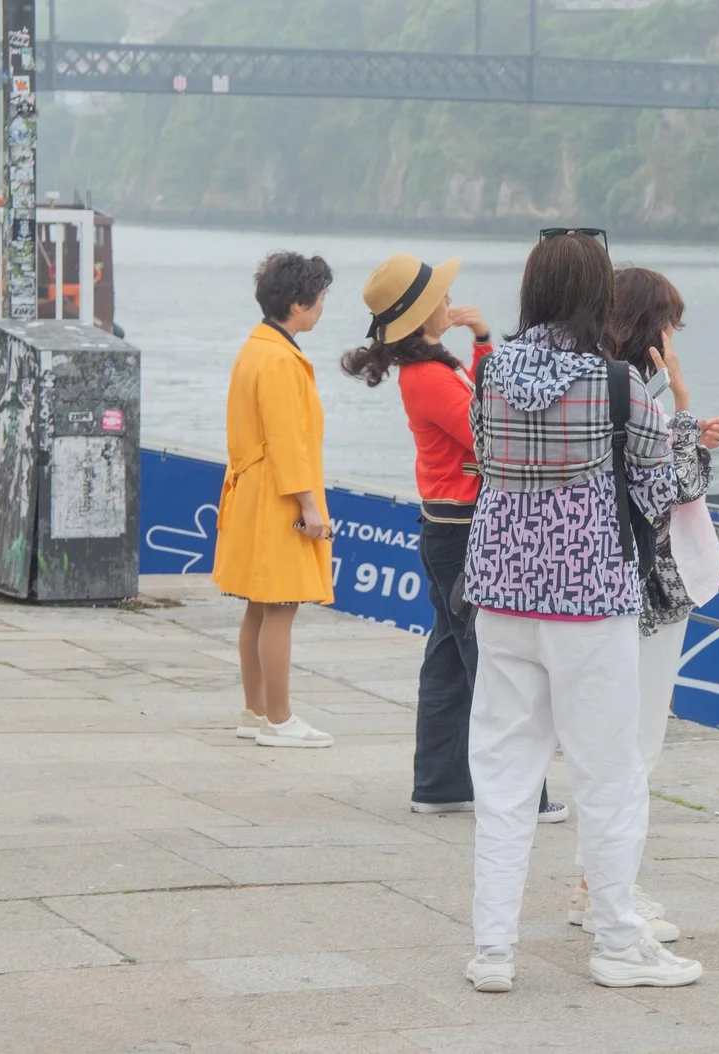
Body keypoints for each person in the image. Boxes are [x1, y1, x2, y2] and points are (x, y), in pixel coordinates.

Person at [459, 230, 704, 994]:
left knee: (502, 778)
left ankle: (492, 951)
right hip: (591, 600)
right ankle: (617, 941)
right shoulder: (618, 387)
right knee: (608, 775)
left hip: (500, 594)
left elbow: (483, 459)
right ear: (598, 294)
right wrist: (681, 424)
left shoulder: (490, 372)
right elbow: (659, 495)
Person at [339, 253, 566, 823]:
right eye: (439, 298)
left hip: (447, 529)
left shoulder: (432, 370)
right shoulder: (430, 376)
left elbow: (482, 408)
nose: (449, 302)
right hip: (463, 532)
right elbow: (490, 431)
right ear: (420, 315)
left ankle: (439, 784)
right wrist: (487, 345)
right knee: (490, 660)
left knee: (448, 656)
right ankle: (522, 795)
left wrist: (485, 340)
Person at [572, 266, 719, 931]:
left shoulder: (592, 381)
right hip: (650, 589)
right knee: (636, 745)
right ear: (651, 327)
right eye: (671, 322)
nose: (675, 335)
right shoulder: (641, 392)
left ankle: (595, 885)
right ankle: (609, 892)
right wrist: (686, 409)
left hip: (599, 584)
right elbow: (677, 485)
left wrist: (687, 431)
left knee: (606, 741)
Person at [214, 251, 338, 749]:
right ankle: (280, 720)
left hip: (253, 490)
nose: (323, 307)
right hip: (278, 496)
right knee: (281, 606)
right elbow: (288, 441)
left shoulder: (255, 349)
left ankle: (255, 710)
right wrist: (309, 507)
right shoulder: (282, 361)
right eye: (321, 298)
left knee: (259, 609)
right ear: (298, 304)